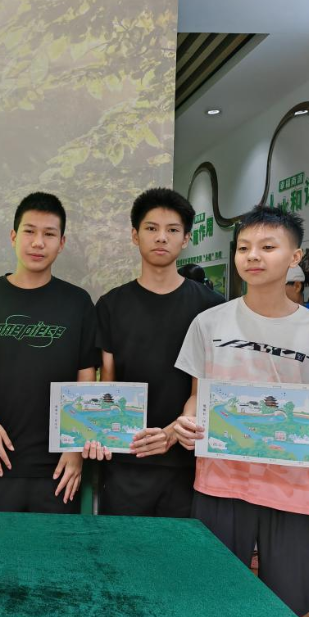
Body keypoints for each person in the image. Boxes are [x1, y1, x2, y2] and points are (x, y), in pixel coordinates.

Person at [173, 205, 309, 617]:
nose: (252, 256)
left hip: (292, 487)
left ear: (295, 257)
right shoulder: (208, 324)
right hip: (220, 482)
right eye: (243, 247)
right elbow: (197, 397)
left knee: (286, 605)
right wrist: (188, 421)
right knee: (214, 597)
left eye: (267, 247)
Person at [83, 188, 223, 517]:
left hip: (189, 462)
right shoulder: (111, 305)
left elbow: (212, 387)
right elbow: (109, 382)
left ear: (186, 238)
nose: (161, 237)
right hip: (127, 460)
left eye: (172, 230)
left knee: (182, 548)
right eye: (151, 228)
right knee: (124, 547)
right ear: (135, 235)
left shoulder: (211, 307)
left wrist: (174, 433)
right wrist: (100, 431)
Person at [0, 192, 99, 513]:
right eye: (29, 231)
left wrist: (75, 447)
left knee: (55, 547)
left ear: (61, 243)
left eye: (49, 234)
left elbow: (85, 377)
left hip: (58, 468)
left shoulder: (77, 302)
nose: (38, 242)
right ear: (14, 236)